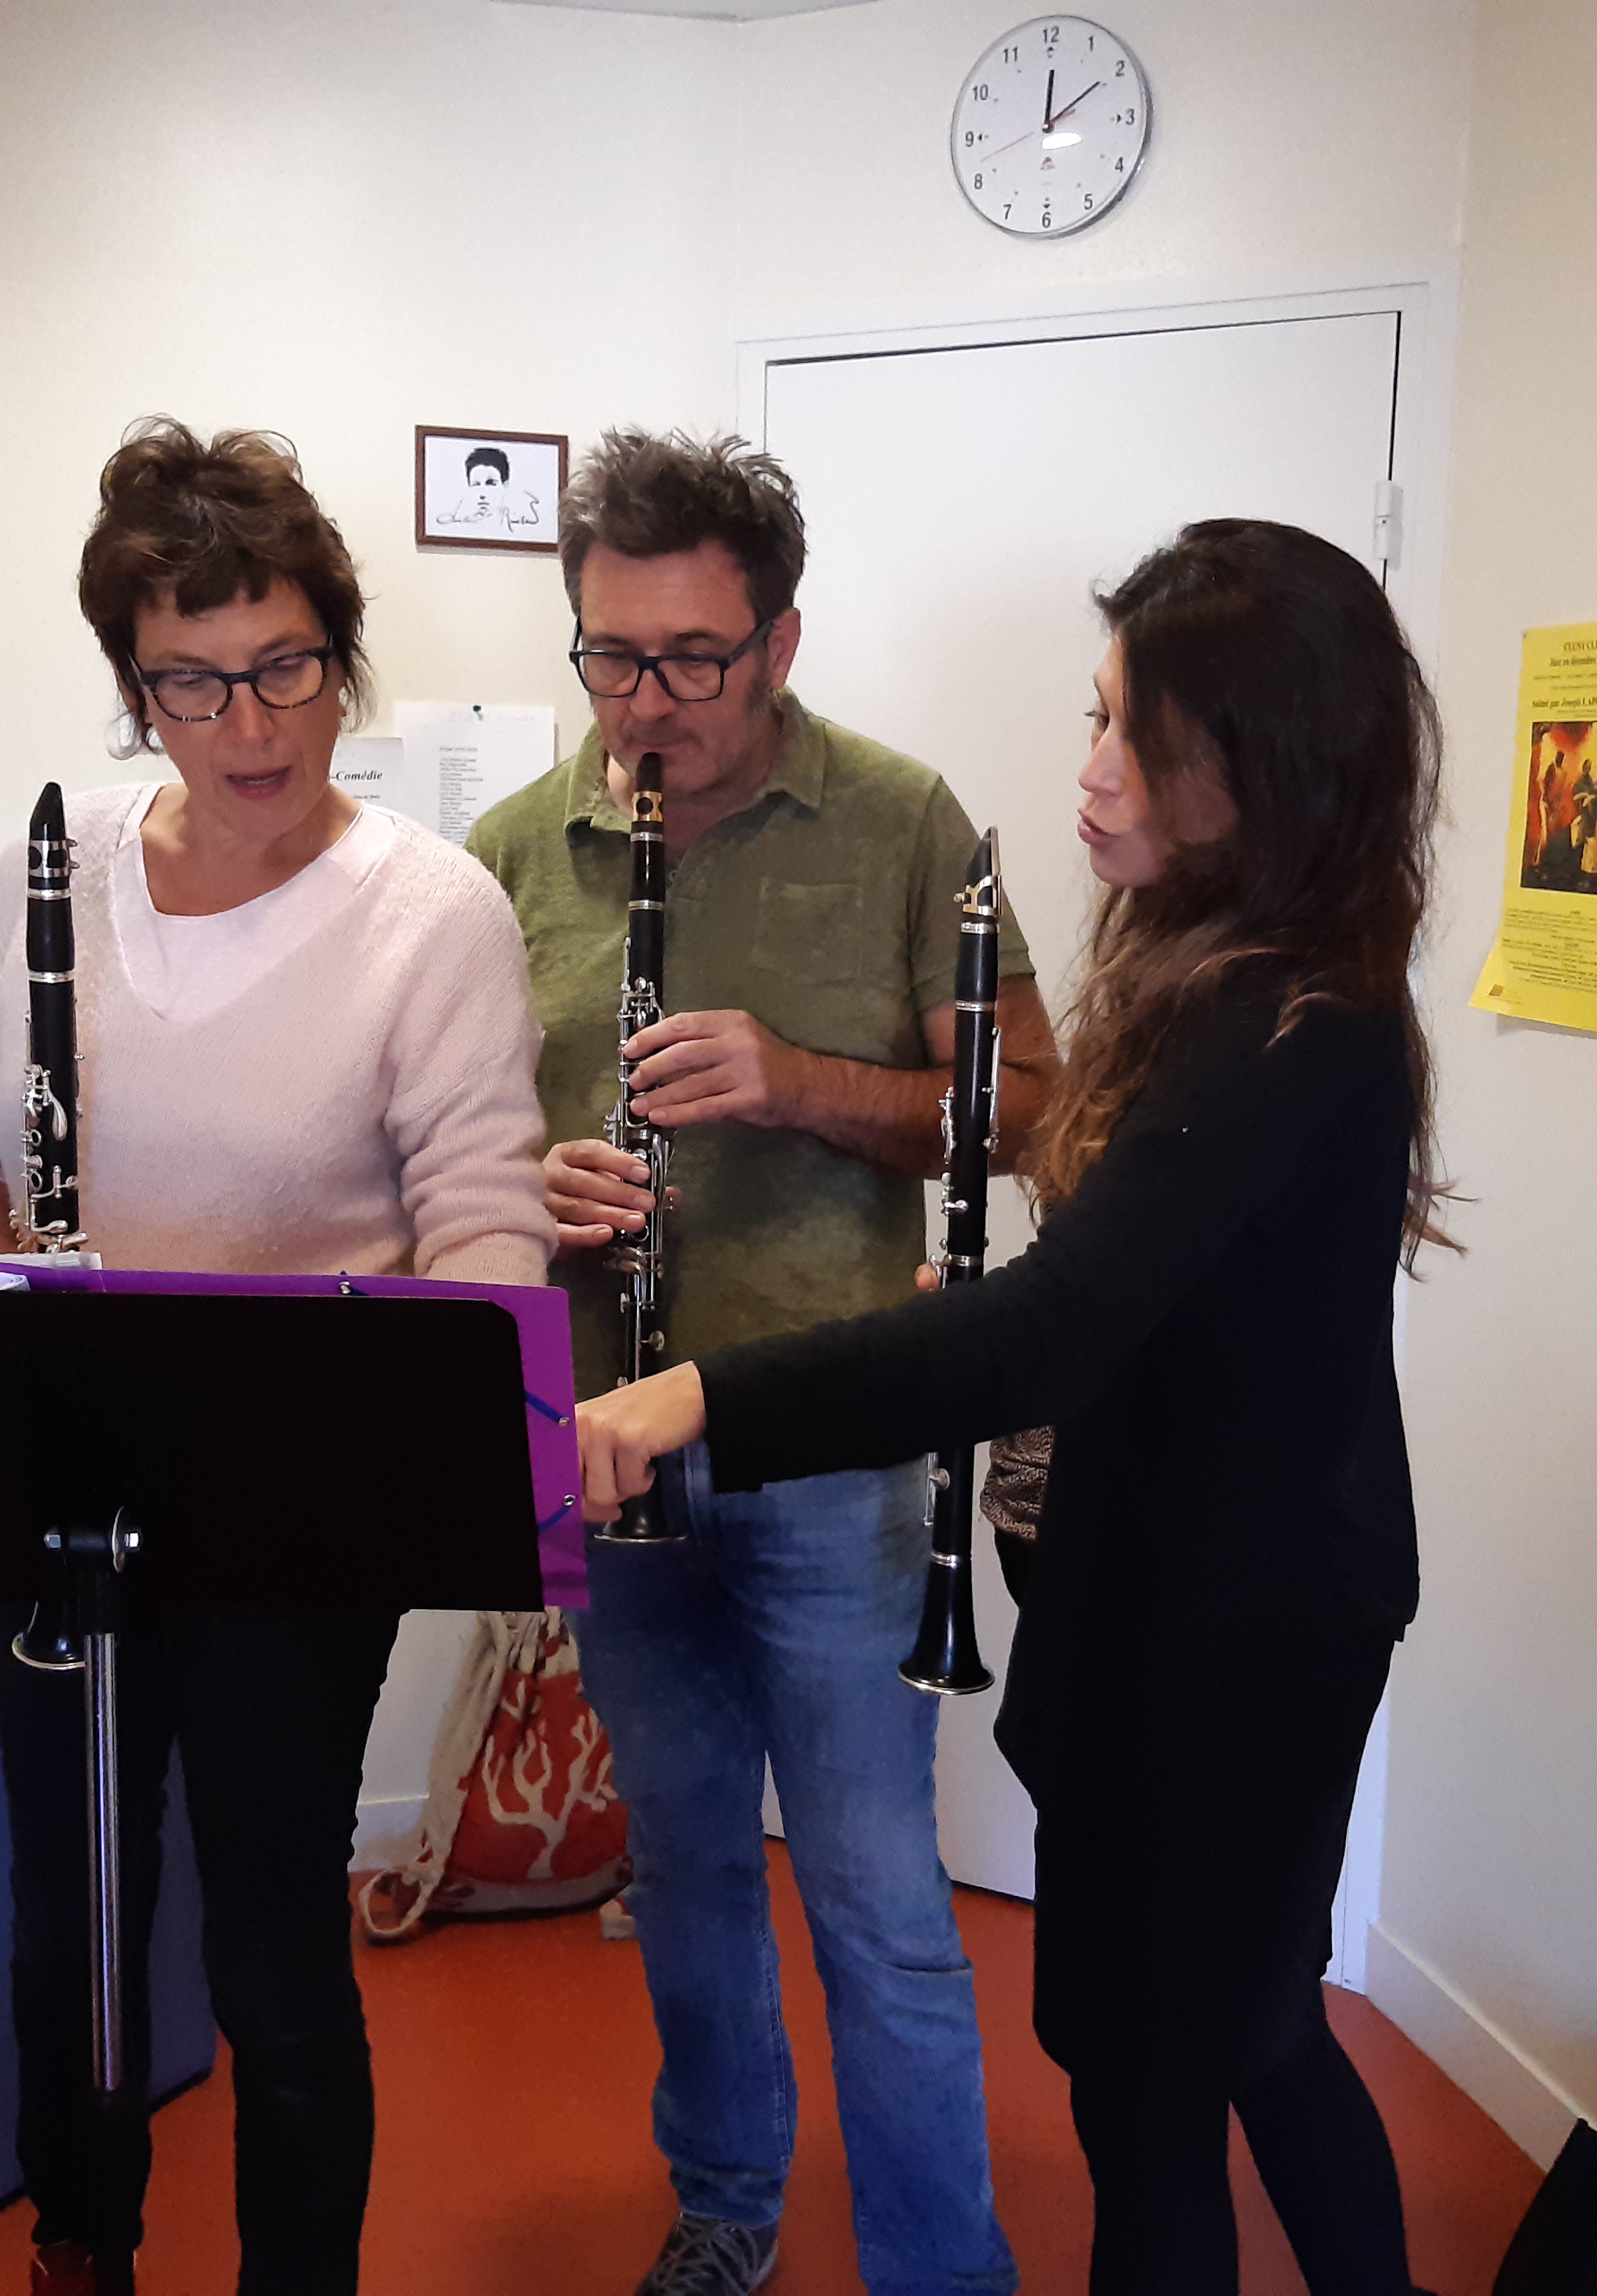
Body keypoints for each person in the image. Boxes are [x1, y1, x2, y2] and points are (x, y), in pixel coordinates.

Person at [575, 518, 1452, 2296]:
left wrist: (698, 1394)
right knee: (1233, 2034)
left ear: (1262, 770)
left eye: (1142, 736)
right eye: (1099, 717)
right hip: (1184, 1589)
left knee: (1169, 2082)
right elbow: (1160, 1294)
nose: (1093, 771)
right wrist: (1034, 1317)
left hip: (1241, 1627)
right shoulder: (1219, 977)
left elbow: (1054, 1331)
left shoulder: (1290, 1026)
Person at [0, 417, 550, 2296]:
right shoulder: (51, 868)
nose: (249, 726)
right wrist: (12, 1278)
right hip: (60, 1485)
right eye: (189, 683)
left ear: (340, 654)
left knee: (272, 1955)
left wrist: (469, 1399)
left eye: (284, 667)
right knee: (66, 1929)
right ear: (137, 689)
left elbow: (484, 1218)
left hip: (296, 1509)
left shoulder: (434, 913)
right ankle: (81, 2243)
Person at [468, 429, 1057, 2296]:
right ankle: (725, 2205)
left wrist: (799, 1083)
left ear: (781, 641)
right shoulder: (511, 853)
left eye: (693, 659)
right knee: (688, 1871)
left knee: (878, 1897)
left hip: (838, 1455)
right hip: (610, 1445)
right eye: (611, 655)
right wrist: (528, 1185)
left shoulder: (903, 820)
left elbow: (1032, 1105)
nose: (647, 703)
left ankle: (937, 2267)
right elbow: (451, 1150)